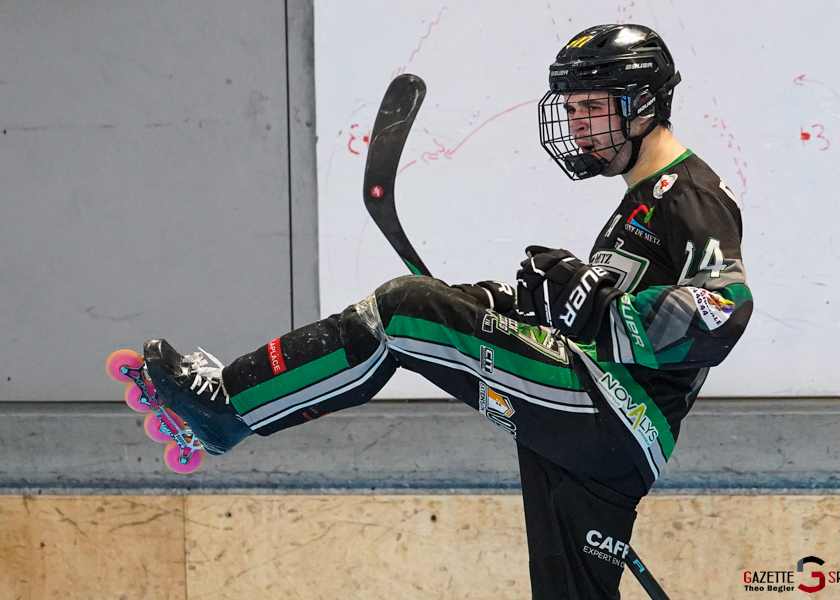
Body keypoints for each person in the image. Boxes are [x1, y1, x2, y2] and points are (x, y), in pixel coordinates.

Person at [142, 24, 752, 600]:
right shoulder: (641, 200)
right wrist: (512, 306)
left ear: (642, 104)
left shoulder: (689, 193)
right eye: (569, 109)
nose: (576, 125)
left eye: (589, 107)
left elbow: (721, 310)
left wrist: (593, 307)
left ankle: (228, 407)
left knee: (403, 312)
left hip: (612, 415)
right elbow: (597, 319)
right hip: (609, 438)